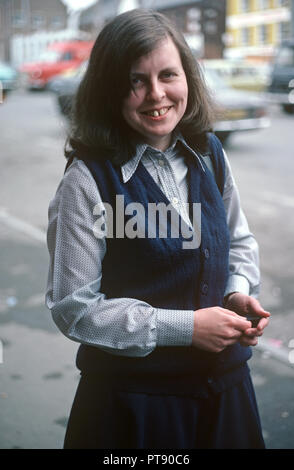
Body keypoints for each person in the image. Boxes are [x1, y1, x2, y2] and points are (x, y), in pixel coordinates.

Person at [46, 9, 270, 449]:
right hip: (135, 407)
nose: (156, 94)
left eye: (168, 75)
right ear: (110, 89)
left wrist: (235, 291)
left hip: (224, 393)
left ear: (187, 76)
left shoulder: (208, 153)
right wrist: (186, 328)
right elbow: (74, 307)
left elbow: (238, 239)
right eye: (135, 81)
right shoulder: (87, 181)